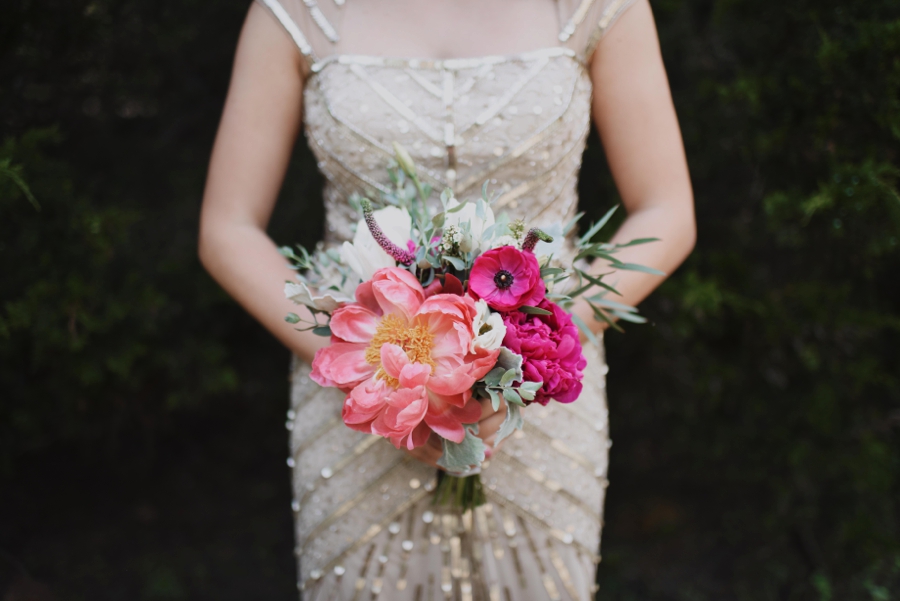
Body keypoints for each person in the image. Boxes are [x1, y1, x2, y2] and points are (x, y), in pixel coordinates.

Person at [198, 0, 695, 598]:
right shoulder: (297, 10)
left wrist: (537, 350)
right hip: (355, 401)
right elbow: (226, 229)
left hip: (539, 417)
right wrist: (369, 371)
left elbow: (667, 212)